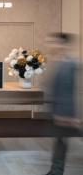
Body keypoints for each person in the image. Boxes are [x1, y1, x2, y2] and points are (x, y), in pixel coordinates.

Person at [45, 33, 81, 175]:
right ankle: (56, 170)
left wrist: (74, 116)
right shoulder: (58, 62)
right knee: (60, 142)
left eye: (52, 42)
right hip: (61, 113)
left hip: (68, 114)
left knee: (61, 142)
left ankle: (56, 170)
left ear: (62, 44)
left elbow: (74, 91)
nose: (49, 45)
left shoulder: (71, 64)